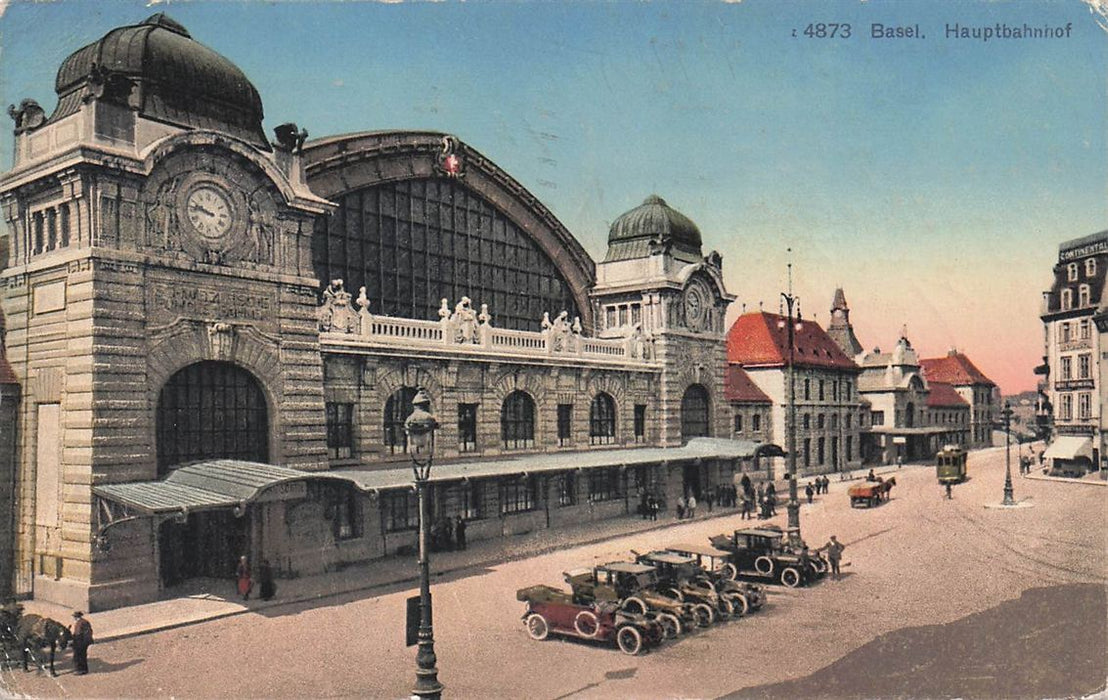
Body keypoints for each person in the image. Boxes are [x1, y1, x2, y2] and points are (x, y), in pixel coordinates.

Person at [69, 611, 93, 675]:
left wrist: (84, 642)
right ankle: (83, 669)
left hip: (81, 641)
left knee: (79, 656)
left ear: (77, 617)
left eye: (74, 616)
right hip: (78, 641)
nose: (74, 618)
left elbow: (87, 633)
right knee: (81, 656)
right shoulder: (79, 622)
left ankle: (80, 670)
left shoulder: (83, 622)